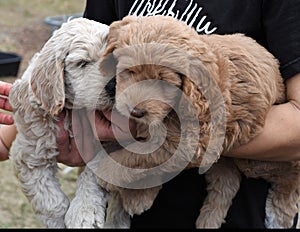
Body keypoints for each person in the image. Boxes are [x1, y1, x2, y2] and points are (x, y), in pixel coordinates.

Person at [0, 0, 299, 228]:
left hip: (241, 211)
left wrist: (158, 135)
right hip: (128, 214)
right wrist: (13, 130)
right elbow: (88, 66)